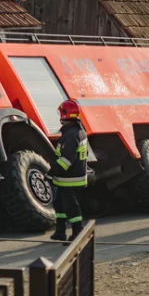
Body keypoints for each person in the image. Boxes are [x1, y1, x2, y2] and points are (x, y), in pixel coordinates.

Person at [50, 99, 89, 241]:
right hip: (67, 178)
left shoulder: (71, 135)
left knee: (71, 206)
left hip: (70, 178)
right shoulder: (77, 132)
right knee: (60, 205)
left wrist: (51, 171)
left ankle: (78, 232)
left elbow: (67, 160)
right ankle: (60, 231)